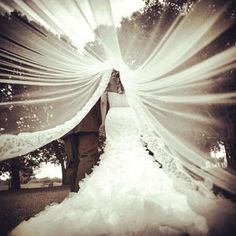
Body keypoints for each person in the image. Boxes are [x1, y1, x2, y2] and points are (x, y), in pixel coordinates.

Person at [10, 70, 236, 236]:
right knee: (131, 151)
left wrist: (103, 126)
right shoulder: (132, 91)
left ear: (113, 77)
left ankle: (79, 192)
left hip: (115, 119)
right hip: (129, 119)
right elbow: (138, 108)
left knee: (110, 153)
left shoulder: (104, 90)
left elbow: (102, 107)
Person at [62, 101, 101, 192]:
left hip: (68, 125)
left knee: (72, 160)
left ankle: (74, 194)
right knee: (87, 157)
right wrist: (100, 122)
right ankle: (81, 194)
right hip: (89, 123)